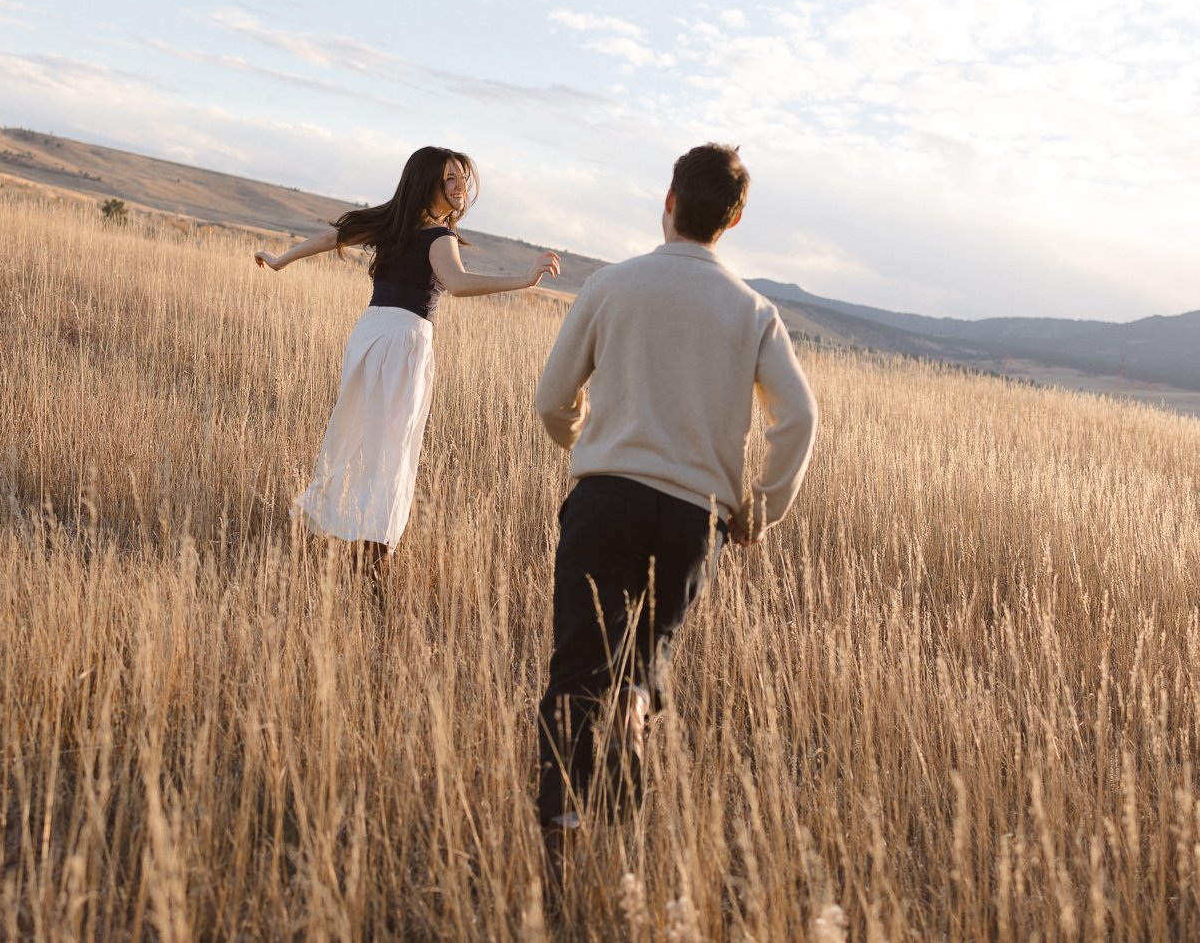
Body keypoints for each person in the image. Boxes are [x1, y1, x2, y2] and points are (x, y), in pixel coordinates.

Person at [532, 142, 818, 868]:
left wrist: (578, 437)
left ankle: (564, 835)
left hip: (606, 496)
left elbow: (551, 399)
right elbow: (800, 419)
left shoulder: (612, 285)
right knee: (641, 668)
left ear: (668, 198)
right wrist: (761, 509)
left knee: (577, 668)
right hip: (694, 517)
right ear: (736, 218)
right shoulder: (753, 311)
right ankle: (621, 831)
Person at [256, 145, 560, 574]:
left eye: (464, 179)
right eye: (450, 179)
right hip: (402, 341)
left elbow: (332, 239)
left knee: (362, 435)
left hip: (369, 334)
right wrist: (524, 280)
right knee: (393, 450)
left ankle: (346, 529)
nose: (461, 188)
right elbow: (456, 282)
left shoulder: (392, 224)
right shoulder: (439, 236)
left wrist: (280, 261)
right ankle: (372, 553)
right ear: (428, 184)